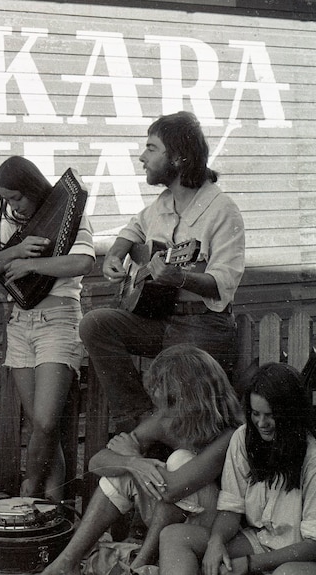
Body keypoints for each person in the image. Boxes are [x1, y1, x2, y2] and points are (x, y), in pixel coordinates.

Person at [79, 111, 245, 432]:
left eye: (151, 148)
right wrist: (117, 253)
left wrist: (180, 278)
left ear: (180, 158)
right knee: (95, 324)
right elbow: (135, 227)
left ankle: (154, 436)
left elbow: (223, 284)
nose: (142, 157)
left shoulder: (222, 211)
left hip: (202, 325)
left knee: (190, 421)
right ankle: (137, 420)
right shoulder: (162, 203)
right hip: (159, 319)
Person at [41, 344, 243, 575]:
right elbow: (96, 463)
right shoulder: (169, 420)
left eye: (169, 403)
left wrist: (133, 456)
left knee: (178, 460)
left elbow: (173, 489)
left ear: (189, 398)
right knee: (123, 472)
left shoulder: (229, 434)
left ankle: (140, 563)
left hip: (209, 528)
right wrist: (133, 463)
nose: (162, 412)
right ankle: (66, 564)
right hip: (177, 515)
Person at [158, 362, 316, 575]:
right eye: (255, 413)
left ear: (290, 412)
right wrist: (216, 542)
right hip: (265, 541)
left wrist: (251, 563)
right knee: (174, 537)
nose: (261, 423)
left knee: (287, 573)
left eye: (270, 415)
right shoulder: (243, 438)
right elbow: (231, 509)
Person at [0, 156, 95, 501]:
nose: (13, 206)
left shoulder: (69, 212)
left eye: (17, 197)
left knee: (44, 422)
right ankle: (52, 504)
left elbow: (83, 261)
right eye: (6, 199)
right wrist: (15, 249)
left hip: (58, 321)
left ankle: (29, 490)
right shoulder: (11, 224)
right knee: (45, 429)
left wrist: (30, 264)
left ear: (33, 187)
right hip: (21, 324)